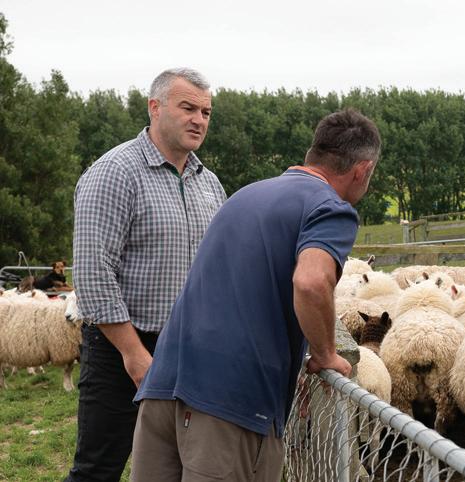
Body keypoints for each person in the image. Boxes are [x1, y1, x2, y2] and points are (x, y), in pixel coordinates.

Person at [130, 109, 381, 482]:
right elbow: (311, 282)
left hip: (164, 385)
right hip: (230, 405)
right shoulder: (330, 208)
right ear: (362, 170)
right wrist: (326, 353)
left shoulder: (246, 195)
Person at [64, 68, 226, 482]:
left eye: (206, 112)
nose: (199, 120)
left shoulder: (209, 184)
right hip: (123, 348)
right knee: (99, 469)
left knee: (176, 467)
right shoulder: (114, 172)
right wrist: (133, 354)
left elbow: (218, 270)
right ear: (155, 107)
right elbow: (93, 272)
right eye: (188, 108)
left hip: (191, 352)